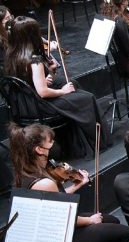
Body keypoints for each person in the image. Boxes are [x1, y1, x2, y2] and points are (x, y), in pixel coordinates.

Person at [9, 123, 128, 242]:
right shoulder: (44, 183)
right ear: (39, 149)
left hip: (56, 228)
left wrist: (77, 185)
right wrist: (90, 220)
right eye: (50, 142)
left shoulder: (26, 171)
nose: (53, 145)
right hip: (59, 239)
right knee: (122, 233)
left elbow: (56, 199)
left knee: (112, 221)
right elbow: (65, 217)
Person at [3, 17, 102, 158]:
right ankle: (89, 144)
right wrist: (63, 91)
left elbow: (22, 79)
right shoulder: (34, 59)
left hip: (23, 104)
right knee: (86, 99)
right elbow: (43, 92)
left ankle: (73, 142)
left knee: (72, 83)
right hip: (39, 106)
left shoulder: (11, 54)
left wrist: (41, 78)